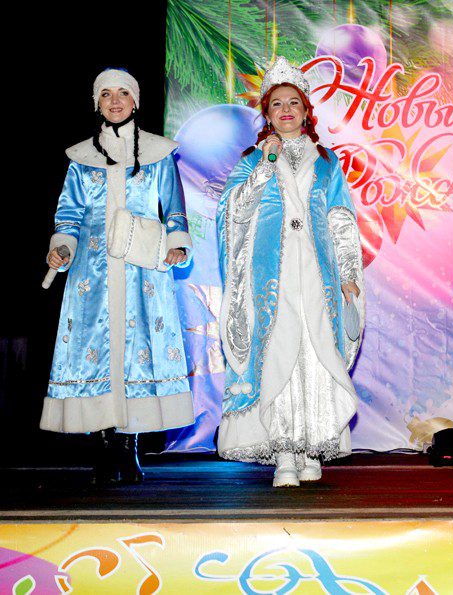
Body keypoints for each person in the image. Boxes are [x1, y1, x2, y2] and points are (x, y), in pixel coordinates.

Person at [41, 68, 195, 484]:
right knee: (97, 348)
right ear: (97, 103)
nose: (114, 101)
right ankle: (104, 446)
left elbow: (174, 208)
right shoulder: (81, 159)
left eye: (122, 93)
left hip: (140, 269)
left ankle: (130, 448)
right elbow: (69, 214)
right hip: (92, 272)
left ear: (135, 100)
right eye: (106, 94)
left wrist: (176, 244)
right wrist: (63, 247)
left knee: (137, 348)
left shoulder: (158, 154)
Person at [217, 57, 365, 487]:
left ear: (305, 111)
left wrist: (348, 272)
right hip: (272, 277)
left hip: (318, 275)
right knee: (280, 354)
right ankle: (283, 451)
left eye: (294, 103)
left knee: (315, 355)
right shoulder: (252, 159)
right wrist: (265, 166)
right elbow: (233, 213)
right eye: (277, 104)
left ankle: (312, 447)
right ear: (267, 113)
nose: (286, 110)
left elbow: (341, 218)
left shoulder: (327, 161)